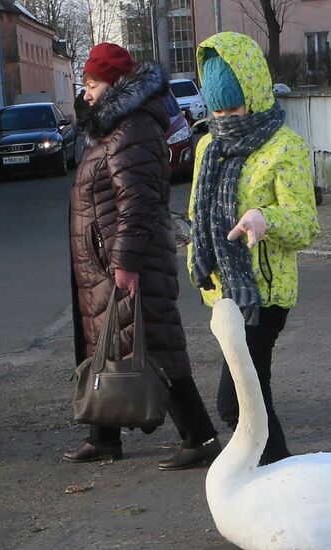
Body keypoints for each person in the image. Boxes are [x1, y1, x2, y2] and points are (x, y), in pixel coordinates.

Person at [66, 43, 220, 469]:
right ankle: (104, 437)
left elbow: (139, 201)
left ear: (114, 84)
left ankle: (201, 436)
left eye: (92, 85)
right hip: (107, 258)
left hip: (132, 259)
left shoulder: (132, 128)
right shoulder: (113, 125)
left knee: (154, 348)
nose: (87, 94)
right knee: (109, 342)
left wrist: (125, 263)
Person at [188, 32, 319, 466]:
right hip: (223, 294)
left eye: (234, 106)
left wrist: (266, 218)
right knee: (253, 397)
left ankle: (277, 474)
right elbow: (198, 212)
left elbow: (305, 224)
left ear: (256, 93)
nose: (226, 117)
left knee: (236, 403)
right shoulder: (209, 145)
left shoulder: (285, 147)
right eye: (218, 108)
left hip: (264, 294)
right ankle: (281, 477)